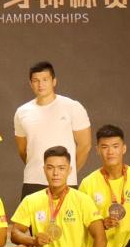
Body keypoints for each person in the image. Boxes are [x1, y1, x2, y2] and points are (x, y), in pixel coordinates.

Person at [14, 61, 91, 199]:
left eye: (45, 80)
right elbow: (23, 150)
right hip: (33, 181)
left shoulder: (72, 107)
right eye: (36, 81)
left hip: (65, 182)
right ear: (30, 84)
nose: (40, 84)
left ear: (54, 81)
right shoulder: (22, 112)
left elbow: (85, 145)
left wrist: (66, 172)